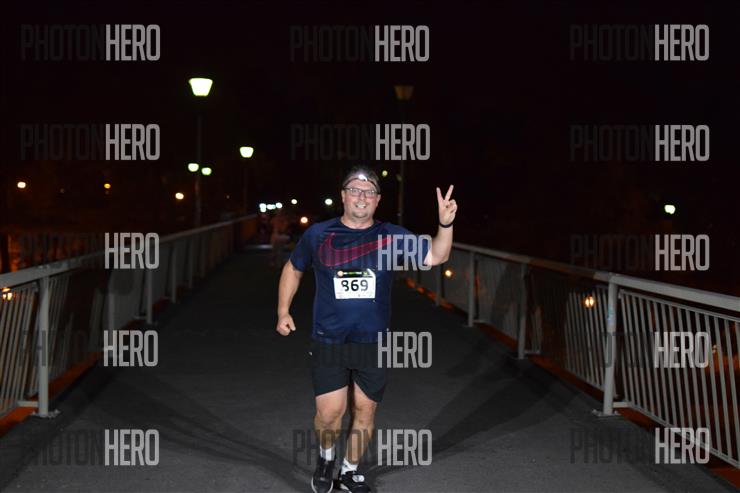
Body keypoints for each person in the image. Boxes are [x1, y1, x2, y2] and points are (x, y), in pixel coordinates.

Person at [275, 165, 457, 492]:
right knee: (330, 414)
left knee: (365, 410)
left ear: (377, 200)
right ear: (343, 196)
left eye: (369, 192)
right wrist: (283, 310)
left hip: (373, 341)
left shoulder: (391, 235)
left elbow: (437, 255)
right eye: (355, 190)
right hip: (329, 339)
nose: (362, 197)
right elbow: (293, 267)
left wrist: (445, 223)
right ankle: (327, 458)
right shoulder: (319, 234)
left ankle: (349, 471)